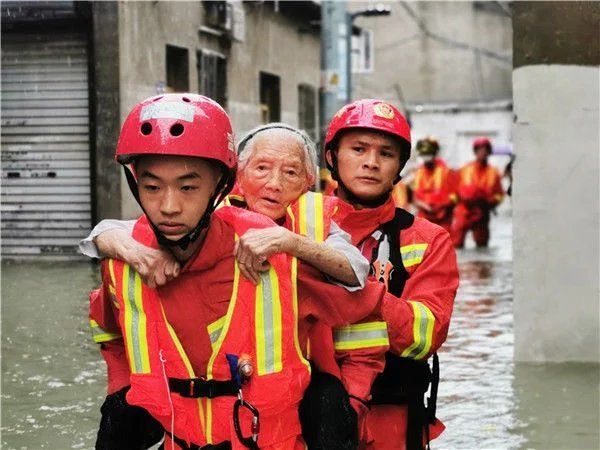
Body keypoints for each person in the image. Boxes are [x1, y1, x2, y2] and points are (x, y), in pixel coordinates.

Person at [89, 94, 388, 450]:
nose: (274, 183)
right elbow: (107, 239)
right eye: (262, 168)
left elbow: (358, 277)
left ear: (308, 181)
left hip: (290, 400)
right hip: (189, 421)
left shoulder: (311, 235)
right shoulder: (152, 242)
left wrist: (289, 242)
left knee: (328, 407)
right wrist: (125, 247)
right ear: (238, 178)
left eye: (290, 172)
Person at [315, 99, 459, 449]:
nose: (371, 162)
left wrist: (358, 290)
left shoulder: (428, 239)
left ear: (399, 166)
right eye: (358, 149)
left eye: (386, 153)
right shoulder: (300, 221)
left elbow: (426, 335)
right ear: (332, 157)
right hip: (309, 415)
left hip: (392, 418)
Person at [451, 137, 504, 248]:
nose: (483, 153)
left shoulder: (494, 172)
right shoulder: (464, 169)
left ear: (489, 152)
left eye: (485, 150)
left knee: (482, 245)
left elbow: (500, 194)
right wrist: (456, 204)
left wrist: (492, 202)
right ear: (475, 152)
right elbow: (453, 191)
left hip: (482, 212)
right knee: (456, 244)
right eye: (480, 150)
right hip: (463, 212)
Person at [411, 137, 457, 232]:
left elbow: (455, 196)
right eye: (423, 155)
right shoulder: (418, 172)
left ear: (434, 154)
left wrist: (443, 205)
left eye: (428, 154)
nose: (426, 158)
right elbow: (414, 197)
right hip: (424, 218)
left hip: (443, 219)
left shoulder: (447, 172)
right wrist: (423, 205)